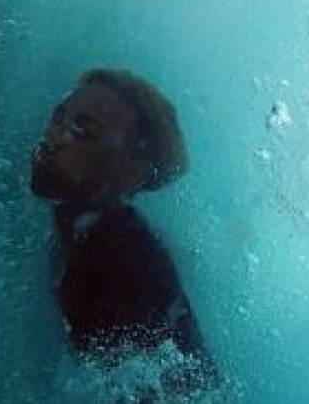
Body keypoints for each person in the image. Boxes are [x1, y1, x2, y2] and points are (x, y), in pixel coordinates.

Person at [30, 69, 217, 399]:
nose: (54, 136)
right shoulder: (85, 229)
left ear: (132, 172)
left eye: (82, 130)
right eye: (58, 119)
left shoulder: (121, 264)